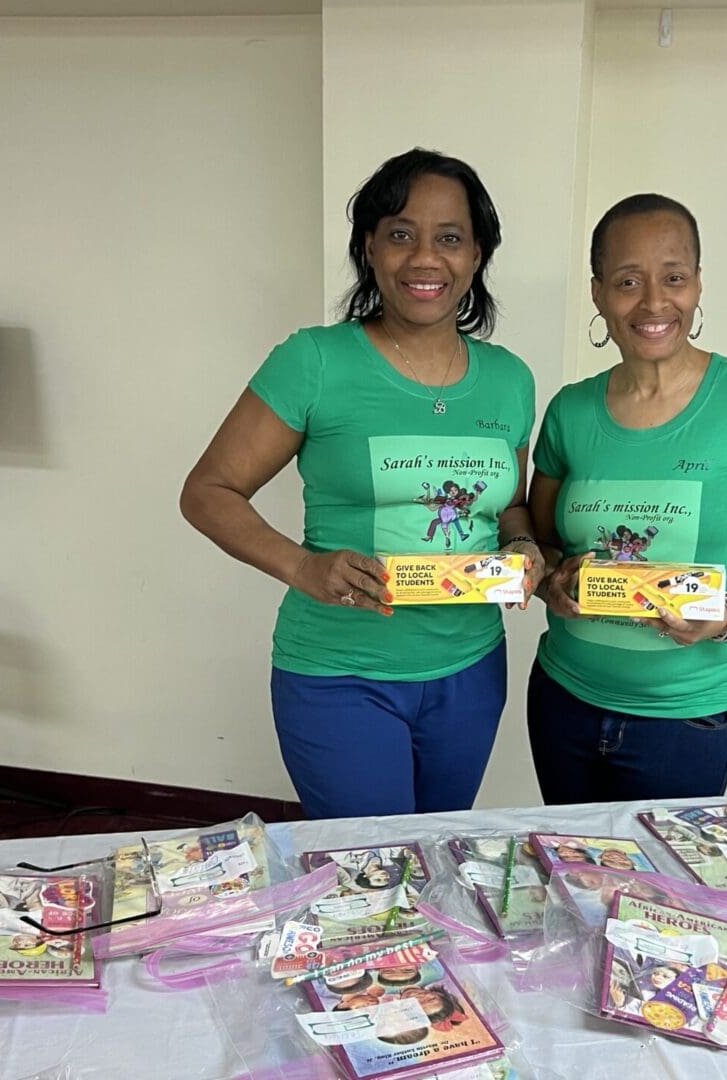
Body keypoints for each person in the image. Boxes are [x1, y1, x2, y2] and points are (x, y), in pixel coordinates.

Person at [182, 149, 541, 819]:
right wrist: (302, 566)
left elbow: (513, 504)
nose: (424, 258)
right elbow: (208, 491)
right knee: (371, 870)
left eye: (450, 238)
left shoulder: (510, 379)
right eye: (401, 234)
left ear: (478, 255)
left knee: (435, 856)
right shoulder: (314, 362)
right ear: (369, 247)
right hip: (340, 674)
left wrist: (524, 547)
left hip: (470, 671)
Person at [528, 194, 727, 803]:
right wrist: (550, 581)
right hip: (564, 703)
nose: (653, 302)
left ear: (697, 285)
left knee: (662, 894)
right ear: (597, 294)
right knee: (572, 884)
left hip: (684, 720)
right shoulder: (570, 410)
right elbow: (541, 543)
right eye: (627, 281)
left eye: (673, 278)